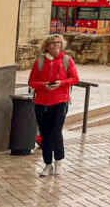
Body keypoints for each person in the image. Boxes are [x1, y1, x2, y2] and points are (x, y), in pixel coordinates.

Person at [28, 34, 79, 177]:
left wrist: (61, 83)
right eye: (52, 43)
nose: (56, 45)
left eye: (58, 43)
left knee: (56, 132)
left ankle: (59, 162)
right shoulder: (40, 61)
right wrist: (43, 86)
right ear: (46, 46)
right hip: (42, 102)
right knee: (44, 134)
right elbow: (31, 82)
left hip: (60, 100)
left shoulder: (66, 60)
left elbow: (75, 78)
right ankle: (48, 164)